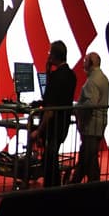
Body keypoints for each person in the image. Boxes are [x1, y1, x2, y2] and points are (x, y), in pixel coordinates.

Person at [31, 39, 77, 188]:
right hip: (64, 125)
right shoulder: (71, 75)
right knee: (50, 158)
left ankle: (52, 190)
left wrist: (38, 131)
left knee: (51, 160)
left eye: (50, 52)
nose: (48, 55)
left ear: (54, 56)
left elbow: (49, 110)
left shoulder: (57, 78)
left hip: (53, 126)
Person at [70, 51, 109, 183]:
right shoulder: (103, 78)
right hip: (98, 124)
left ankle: (74, 184)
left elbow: (90, 103)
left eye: (85, 61)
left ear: (91, 63)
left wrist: (75, 109)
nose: (83, 64)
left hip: (91, 126)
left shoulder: (92, 81)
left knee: (87, 157)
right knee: (89, 158)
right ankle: (78, 183)